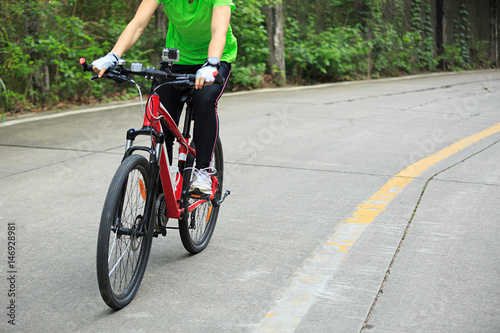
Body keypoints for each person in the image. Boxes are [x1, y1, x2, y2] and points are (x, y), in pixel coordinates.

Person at [91, 0, 237, 194]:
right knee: (161, 114)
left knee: (204, 101)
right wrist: (113, 56)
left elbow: (219, 30)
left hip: (215, 58)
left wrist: (211, 64)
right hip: (178, 59)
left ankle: (203, 171)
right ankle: (162, 180)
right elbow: (138, 24)